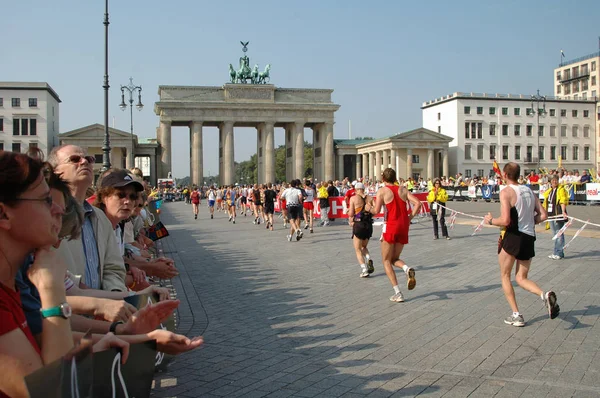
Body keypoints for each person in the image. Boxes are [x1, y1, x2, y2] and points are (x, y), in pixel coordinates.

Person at [0, 151, 131, 397]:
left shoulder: (13, 283)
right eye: (45, 201)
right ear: (4, 214)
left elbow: (44, 343)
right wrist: (51, 290)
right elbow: (53, 390)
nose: (59, 210)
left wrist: (96, 345)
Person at [484, 162, 559, 327]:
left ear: (504, 174)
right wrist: (530, 221)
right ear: (518, 174)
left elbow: (505, 220)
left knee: (505, 276)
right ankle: (544, 295)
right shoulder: (529, 190)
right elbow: (544, 215)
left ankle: (516, 314)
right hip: (528, 237)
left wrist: (490, 221)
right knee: (521, 277)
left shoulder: (506, 192)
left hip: (513, 236)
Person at [48, 145, 128, 292]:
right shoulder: (49, 215)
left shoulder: (100, 218)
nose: (84, 162)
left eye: (89, 159)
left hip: (103, 309)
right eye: (75, 159)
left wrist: (114, 292)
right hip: (66, 309)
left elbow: (113, 267)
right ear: (56, 171)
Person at [369, 168, 421, 302]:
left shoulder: (382, 191)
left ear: (383, 179)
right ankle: (406, 268)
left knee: (386, 260)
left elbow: (376, 210)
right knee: (394, 258)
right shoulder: (403, 189)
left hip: (391, 225)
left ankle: (398, 292)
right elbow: (418, 203)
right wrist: (410, 218)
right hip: (403, 226)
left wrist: (368, 208)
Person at [347, 183, 375, 278]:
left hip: (358, 225)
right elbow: (375, 211)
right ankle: (368, 258)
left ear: (356, 189)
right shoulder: (370, 198)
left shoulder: (353, 198)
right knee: (364, 246)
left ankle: (364, 269)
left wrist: (349, 212)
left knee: (358, 249)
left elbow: (351, 213)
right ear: (363, 189)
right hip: (368, 225)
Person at [543, 175, 569, 260]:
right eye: (553, 180)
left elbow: (563, 201)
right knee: (555, 234)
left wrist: (563, 212)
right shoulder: (550, 191)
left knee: (559, 233)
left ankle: (559, 252)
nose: (554, 182)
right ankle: (555, 251)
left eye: (556, 180)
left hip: (558, 214)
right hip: (551, 215)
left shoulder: (560, 190)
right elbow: (546, 202)